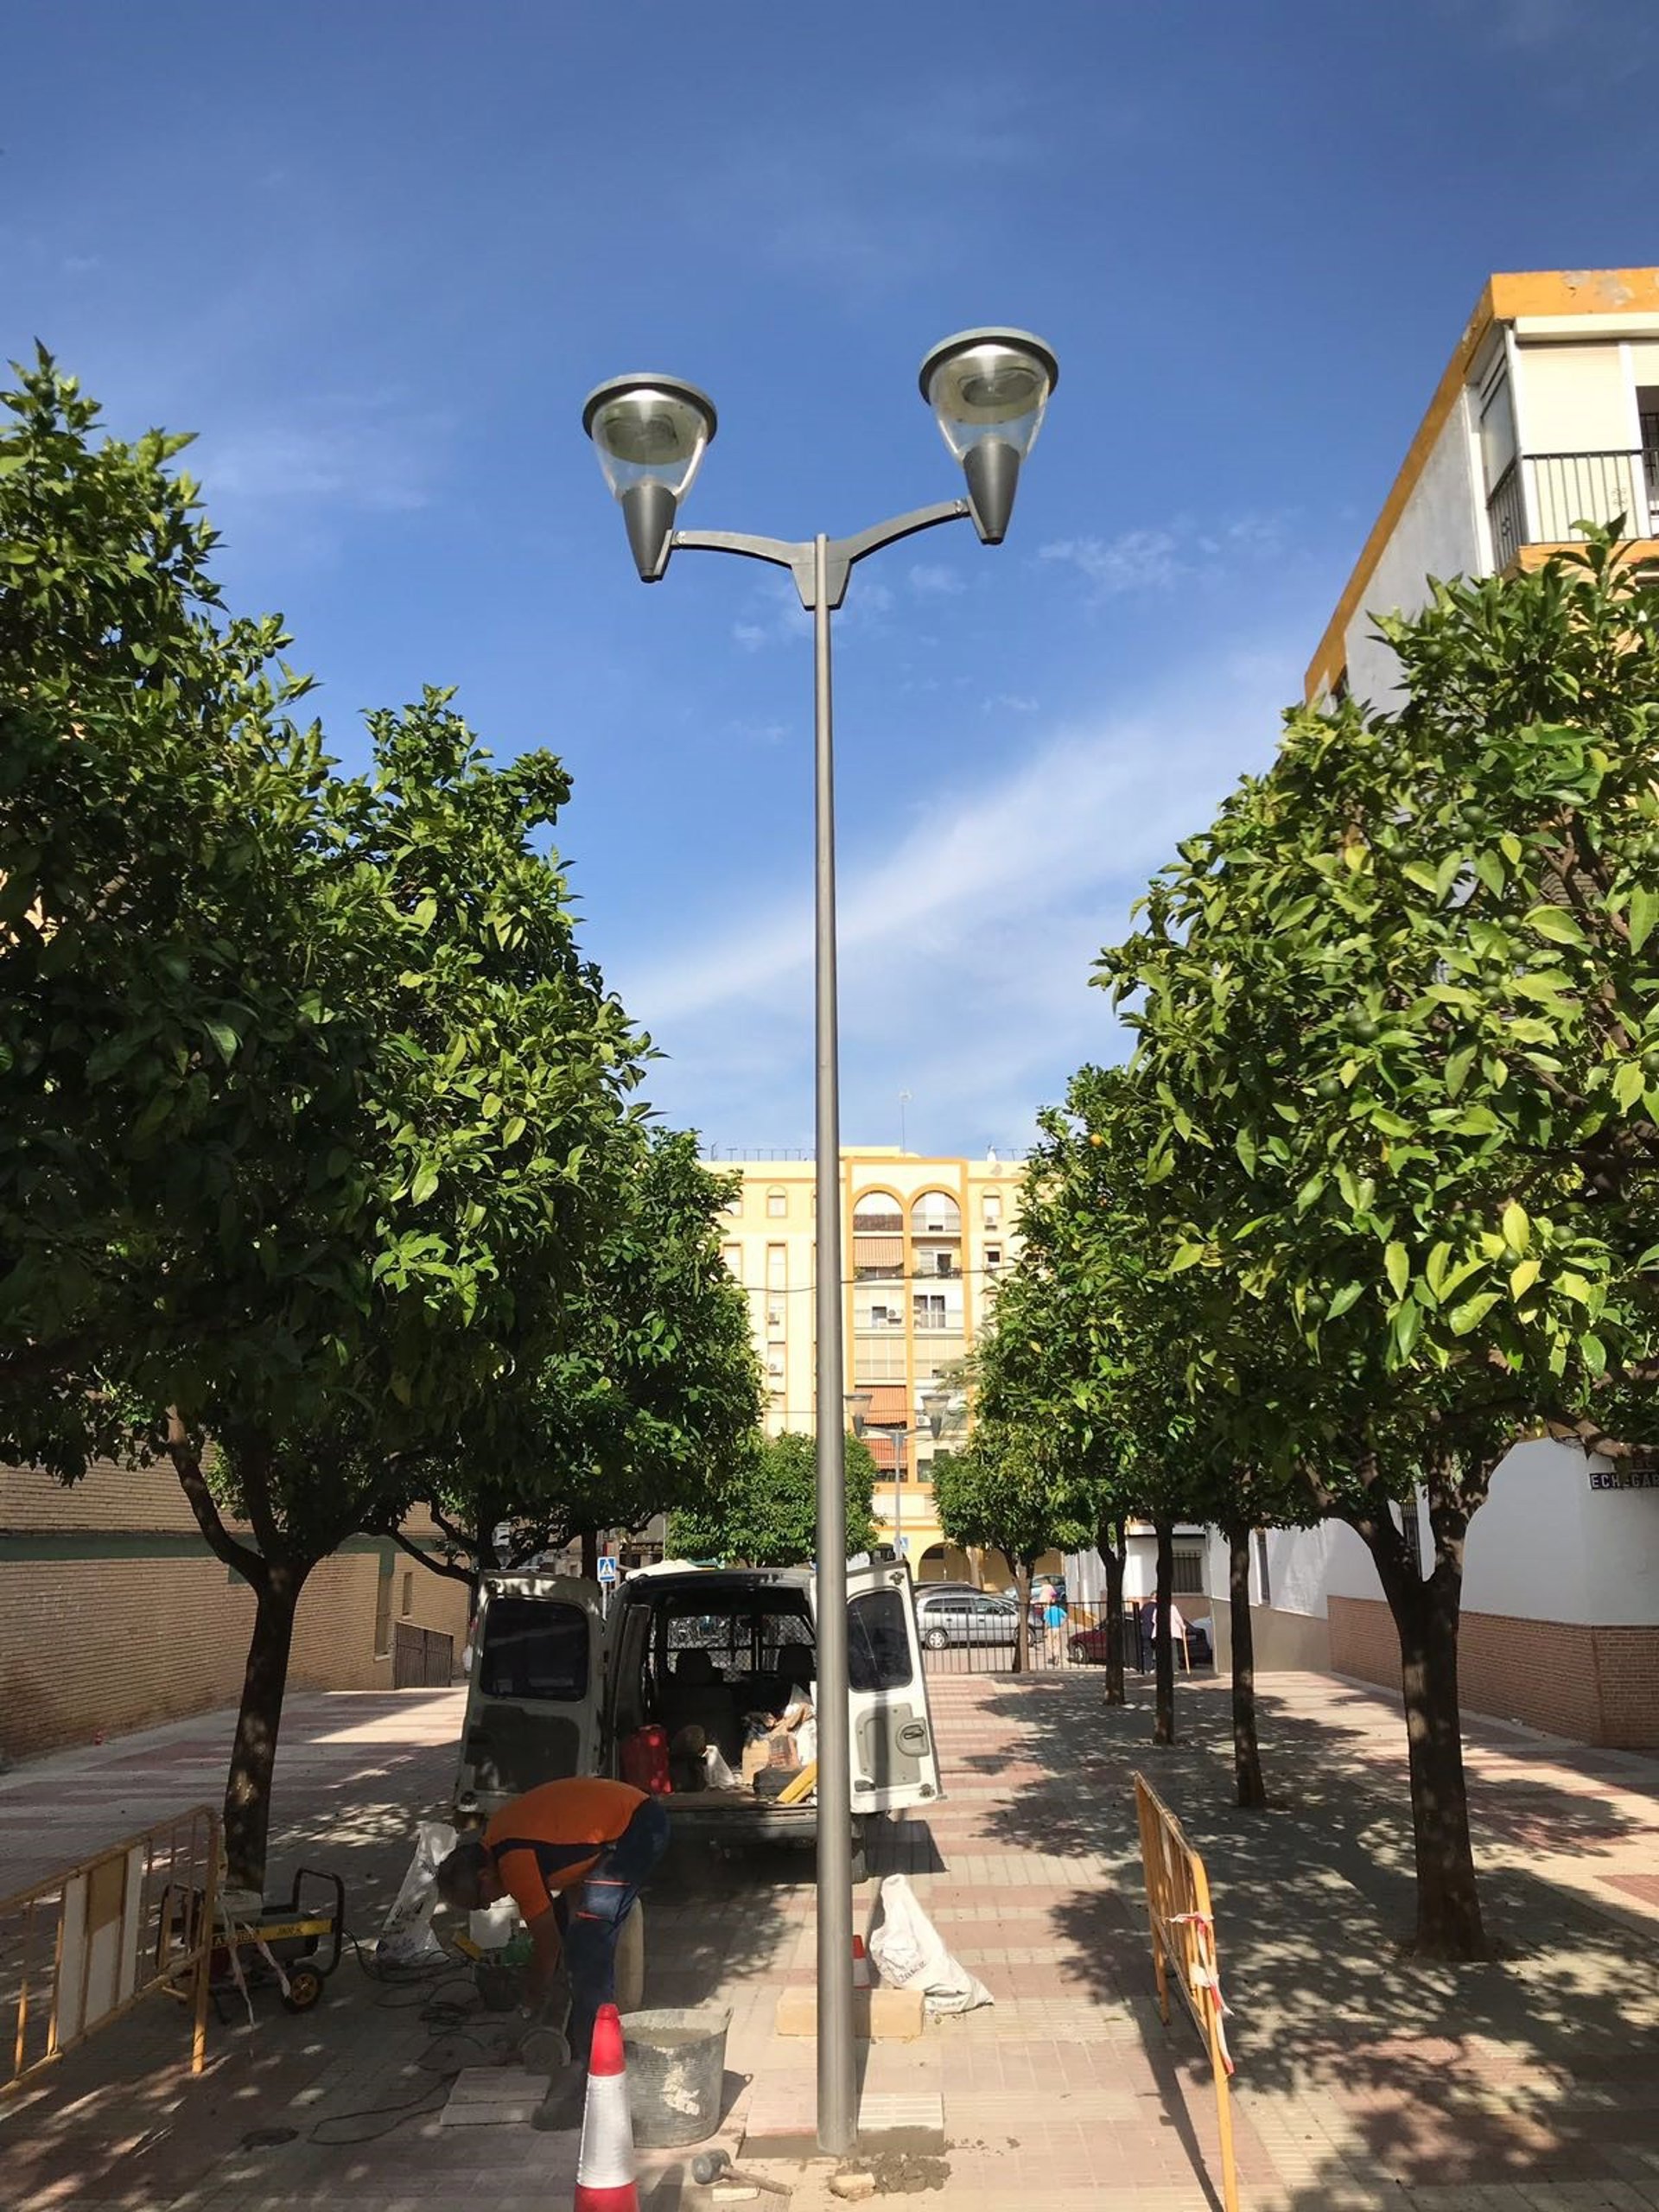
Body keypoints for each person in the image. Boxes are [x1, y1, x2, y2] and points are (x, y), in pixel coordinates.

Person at [435, 1777, 670, 2067]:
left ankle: (594, 2055)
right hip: (623, 1821)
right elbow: (568, 1856)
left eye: (480, 1901)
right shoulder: (496, 1837)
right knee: (567, 1925)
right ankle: (577, 2022)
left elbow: (547, 1945)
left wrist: (529, 2004)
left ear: (485, 1875)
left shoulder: (513, 1862)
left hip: (636, 1829)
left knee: (588, 1944)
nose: (486, 1906)